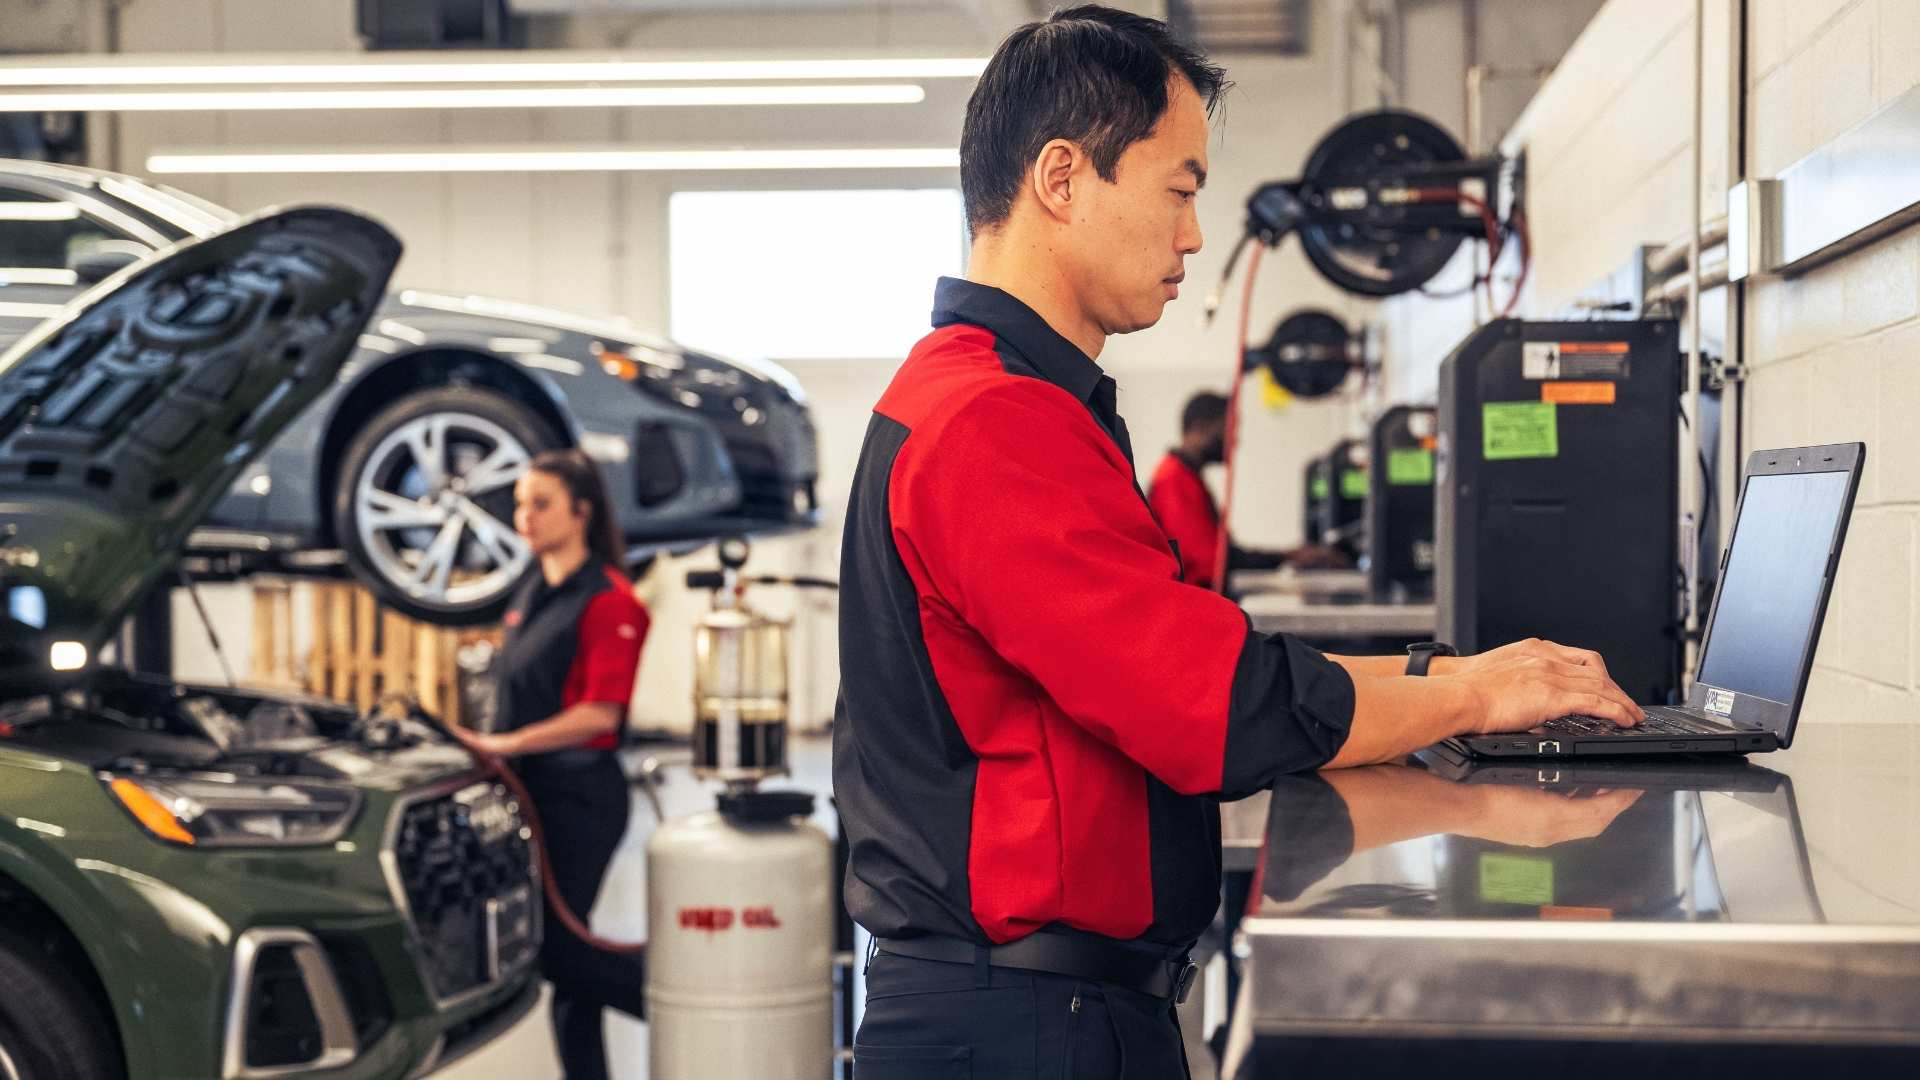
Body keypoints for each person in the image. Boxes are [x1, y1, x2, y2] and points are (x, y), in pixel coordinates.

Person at [832, 6, 1643, 1077]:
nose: (1193, 235)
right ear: (1062, 180)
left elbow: (1176, 666)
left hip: (1043, 1006)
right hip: (1022, 1028)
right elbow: (1210, 708)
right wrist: (1475, 694)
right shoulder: (990, 420)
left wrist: (1427, 684)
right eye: (1179, 189)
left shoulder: (1004, 401)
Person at [447, 448, 649, 1080]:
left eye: (541, 504)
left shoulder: (611, 601)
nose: (524, 518)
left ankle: (684, 1004)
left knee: (560, 952)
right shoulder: (532, 587)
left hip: (580, 800)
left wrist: (503, 746)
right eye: (519, 505)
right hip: (530, 793)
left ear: (581, 512)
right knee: (570, 971)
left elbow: (599, 716)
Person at [1146, 389, 1349, 590]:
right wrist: (1288, 556)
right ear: (1200, 428)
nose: (1234, 442)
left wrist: (1288, 556)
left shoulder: (1185, 476)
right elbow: (1211, 564)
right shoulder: (1173, 479)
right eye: (1227, 431)